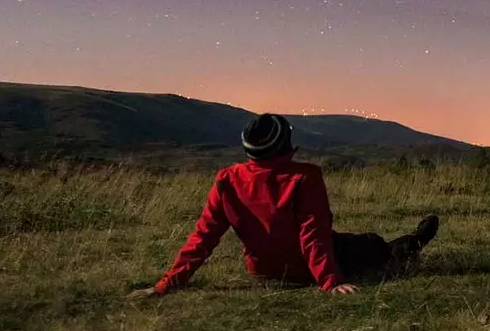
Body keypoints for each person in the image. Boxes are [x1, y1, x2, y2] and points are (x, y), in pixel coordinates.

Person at [128, 113, 438, 299]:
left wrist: (166, 285)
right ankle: (416, 242)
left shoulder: (227, 179)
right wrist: (330, 281)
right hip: (306, 271)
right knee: (371, 243)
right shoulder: (305, 176)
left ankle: (411, 241)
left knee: (350, 242)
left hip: (262, 272)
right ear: (285, 145)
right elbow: (313, 234)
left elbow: (203, 237)